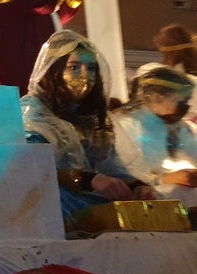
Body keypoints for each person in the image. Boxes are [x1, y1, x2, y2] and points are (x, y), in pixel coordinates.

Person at [21, 30, 156, 225]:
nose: (85, 76)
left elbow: (111, 166)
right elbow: (29, 168)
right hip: (53, 204)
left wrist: (136, 187)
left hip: (89, 200)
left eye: (91, 68)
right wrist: (86, 180)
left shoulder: (92, 119)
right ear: (53, 70)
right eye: (74, 67)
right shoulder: (33, 113)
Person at [112, 66, 197, 207]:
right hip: (146, 203)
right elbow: (119, 172)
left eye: (187, 101)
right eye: (180, 100)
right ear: (155, 97)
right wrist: (163, 179)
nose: (185, 107)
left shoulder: (181, 128)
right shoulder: (125, 127)